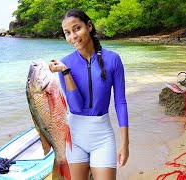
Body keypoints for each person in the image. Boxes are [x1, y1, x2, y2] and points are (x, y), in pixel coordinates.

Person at [49, 9, 129, 180]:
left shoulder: (113, 59)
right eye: (67, 33)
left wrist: (125, 143)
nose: (73, 36)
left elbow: (120, 102)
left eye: (77, 29)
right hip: (74, 137)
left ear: (89, 26)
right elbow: (76, 106)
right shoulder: (66, 64)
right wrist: (65, 72)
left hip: (102, 137)